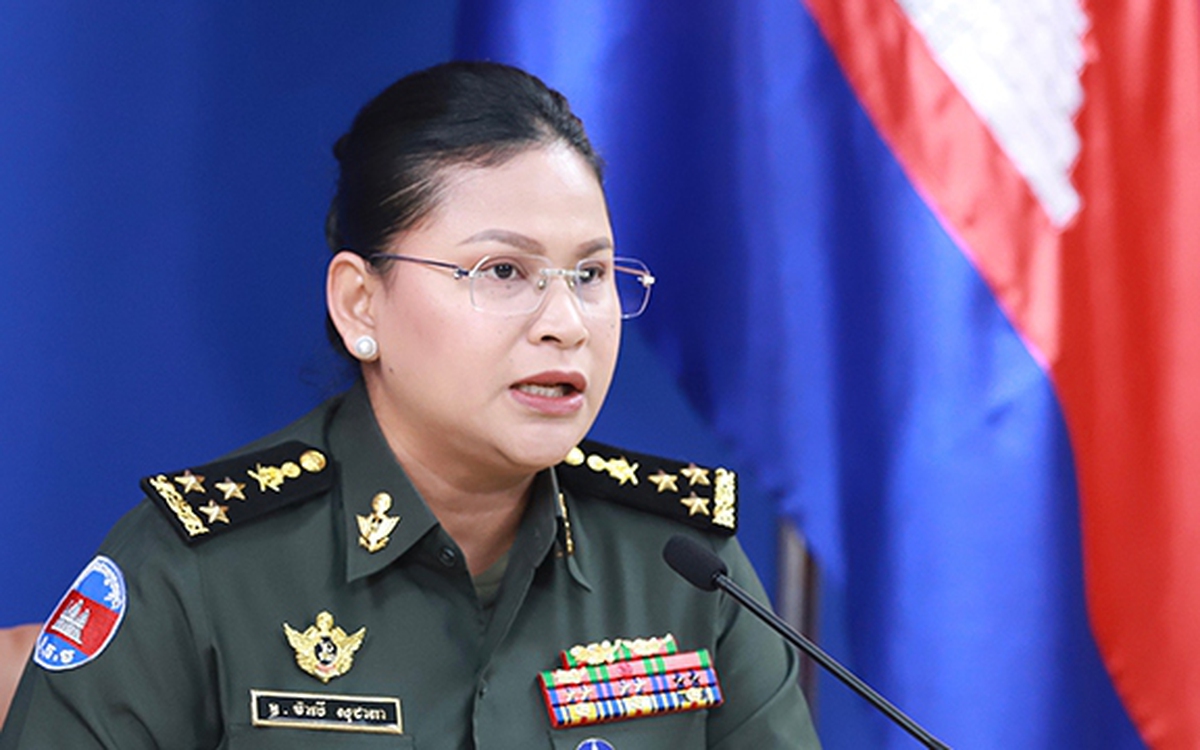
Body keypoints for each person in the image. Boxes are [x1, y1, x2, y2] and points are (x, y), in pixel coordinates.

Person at [0, 61, 820, 749]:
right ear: (360, 304)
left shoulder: (686, 570)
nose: (566, 323)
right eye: (503, 271)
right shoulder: (197, 571)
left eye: (591, 274)